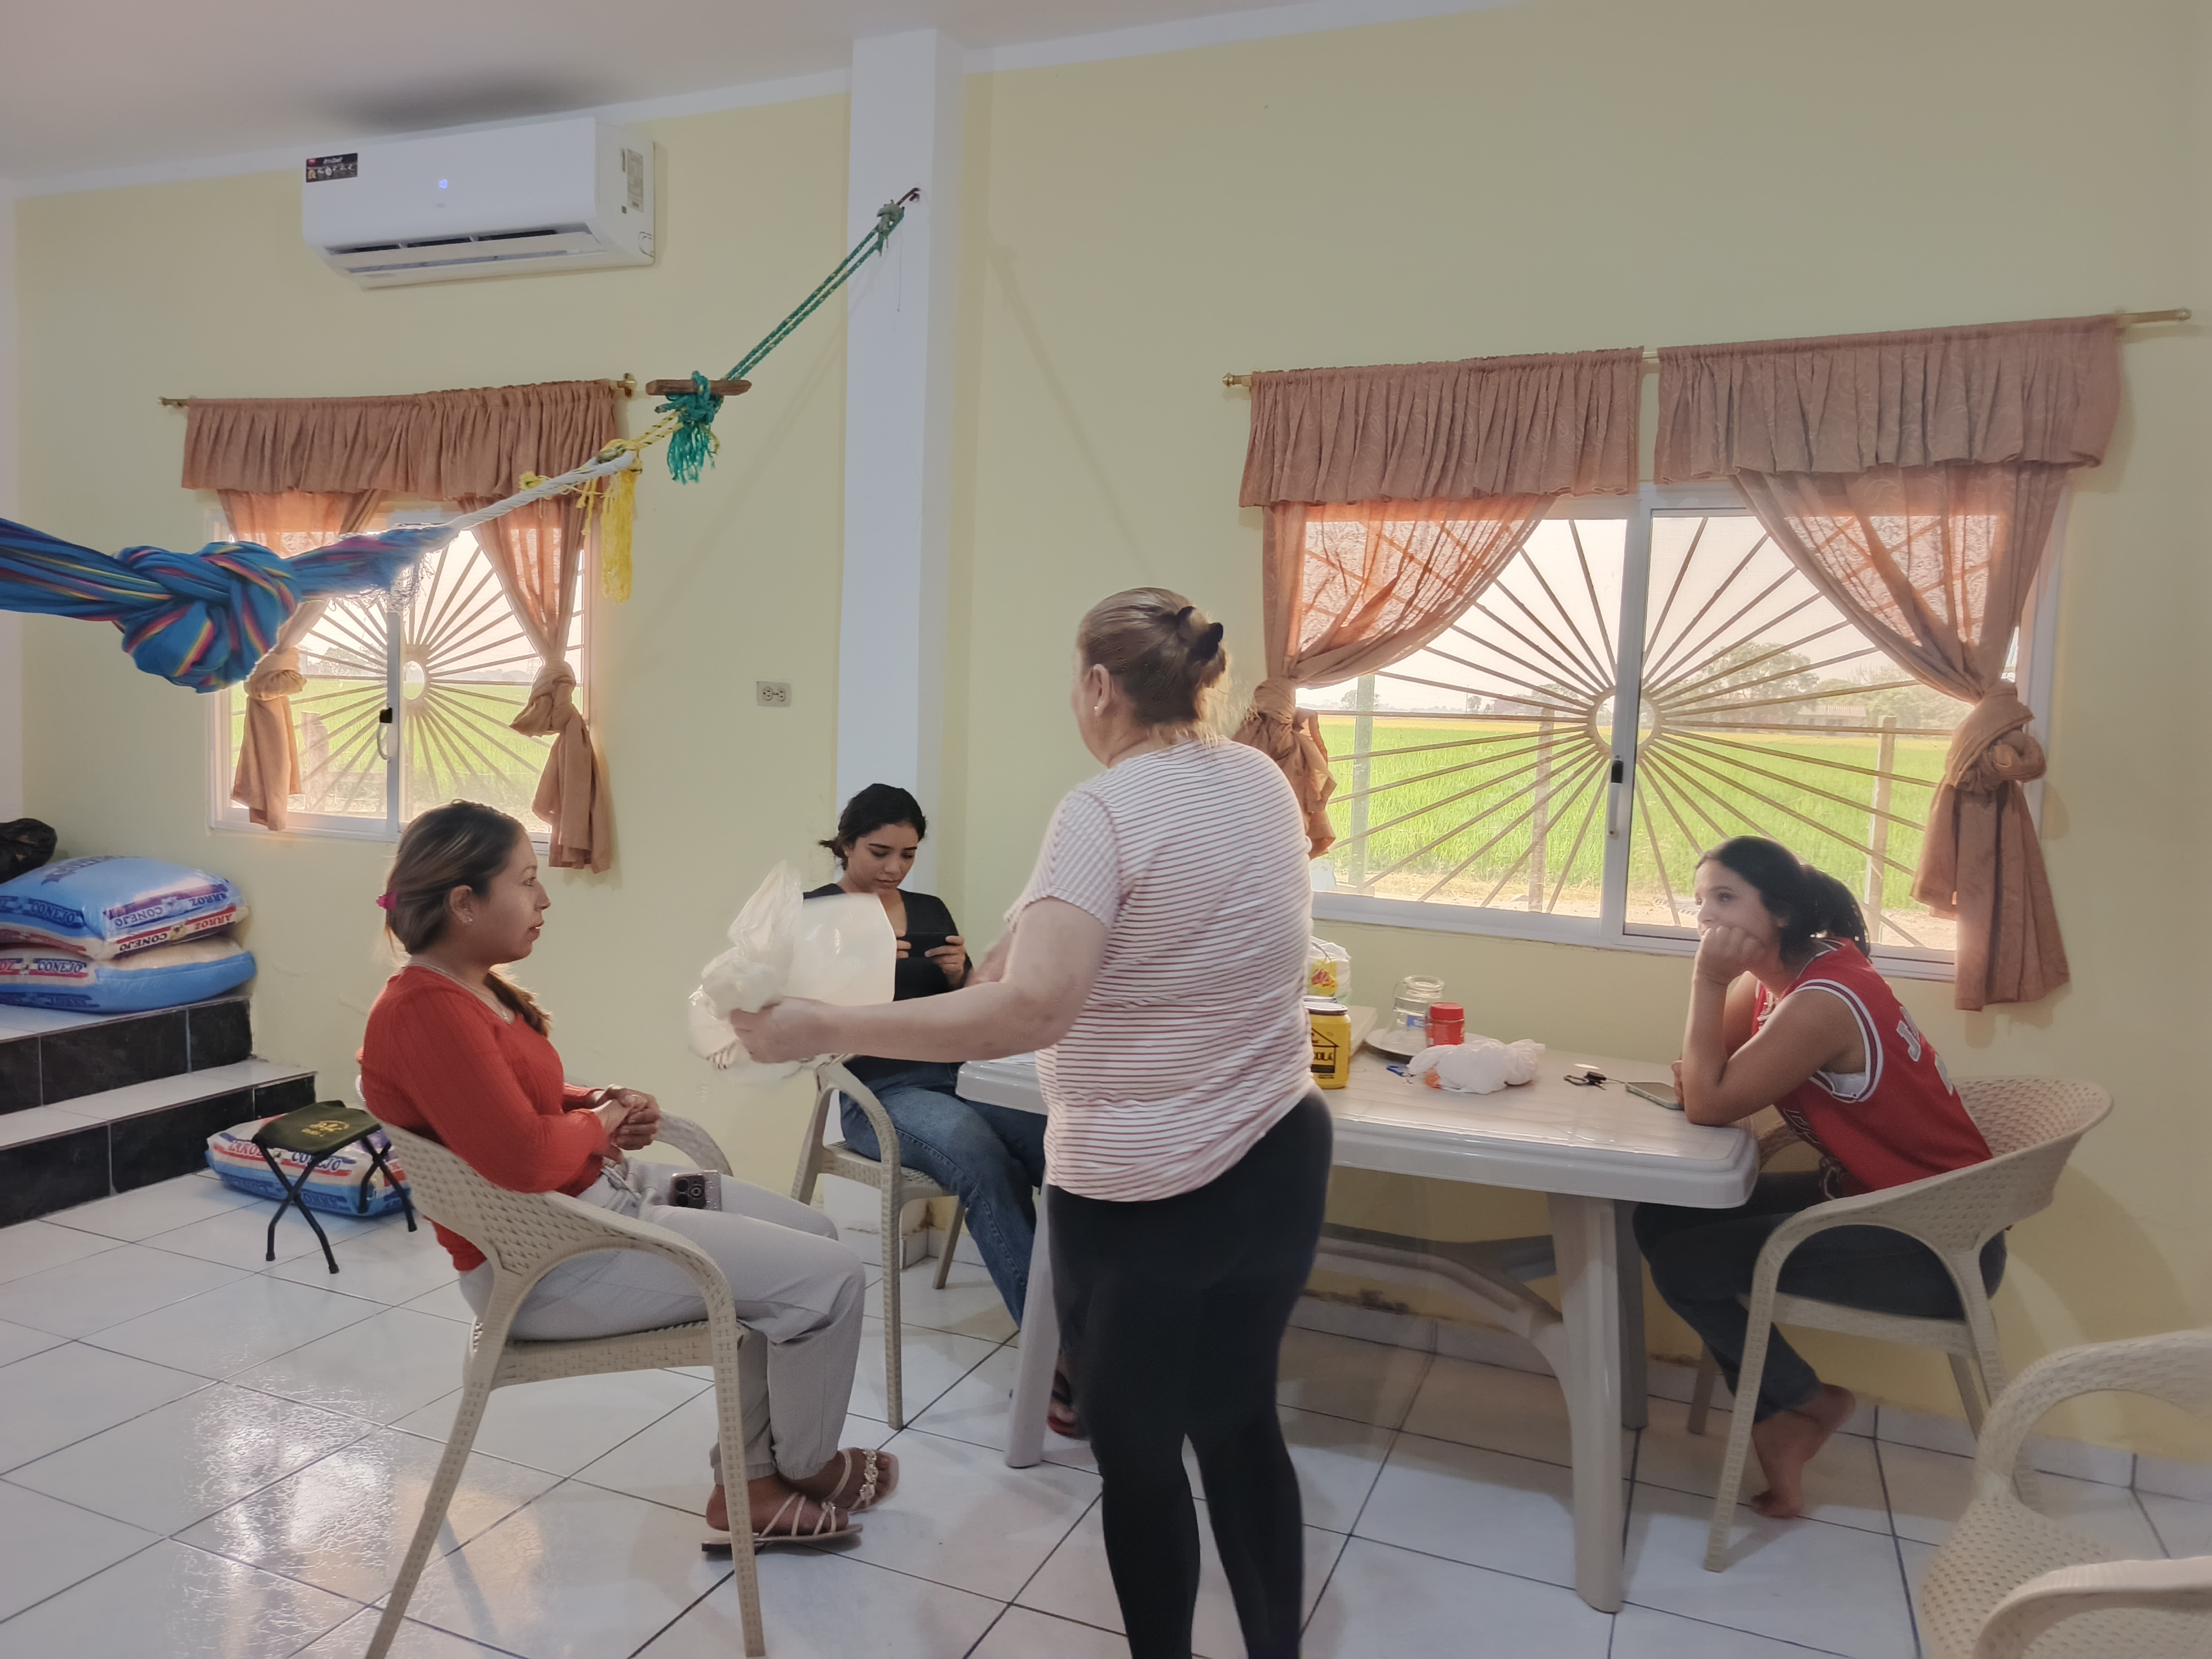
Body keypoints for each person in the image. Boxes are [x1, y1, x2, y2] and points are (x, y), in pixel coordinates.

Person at [731, 590, 1326, 1659]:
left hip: (1150, 1188)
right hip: (1278, 1150)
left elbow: (1033, 1009)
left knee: (1138, 1458)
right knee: (1239, 1422)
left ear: (1097, 685)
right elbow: (1090, 943)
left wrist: (821, 1023)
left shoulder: (1102, 811)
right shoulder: (1258, 779)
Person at [359, 801, 897, 1547]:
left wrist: (593, 1101)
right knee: (831, 1280)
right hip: (554, 1261)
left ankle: (759, 1472)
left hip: (599, 1209)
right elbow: (522, 1157)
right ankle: (799, 1469)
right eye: (527, 881)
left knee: (815, 1232)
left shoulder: (468, 989)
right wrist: (601, 1123)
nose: (545, 900)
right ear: (464, 903)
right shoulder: (424, 1012)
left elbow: (506, 1100)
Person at [1634, 835, 1998, 1520]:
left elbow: (1707, 1100)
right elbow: (1707, 1081)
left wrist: (1706, 983)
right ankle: (1783, 1413)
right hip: (1872, 1202)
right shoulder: (1785, 977)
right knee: (1661, 1216)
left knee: (1686, 1265)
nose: (1705, 918)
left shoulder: (1823, 1000)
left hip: (1937, 1239)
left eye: (1724, 899)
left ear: (1778, 913)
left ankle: (1804, 1404)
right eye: (1700, 901)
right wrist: (1712, 1058)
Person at [806, 784, 1048, 1330]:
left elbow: (971, 1010)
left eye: (908, 854)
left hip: (961, 1078)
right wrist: (859, 970)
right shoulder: (815, 913)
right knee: (983, 1161)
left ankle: (1103, 1315)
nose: (895, 868)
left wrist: (961, 976)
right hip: (877, 1093)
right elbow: (798, 1021)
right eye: (880, 852)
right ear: (847, 844)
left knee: (1058, 1147)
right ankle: (1056, 1348)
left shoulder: (929, 909)